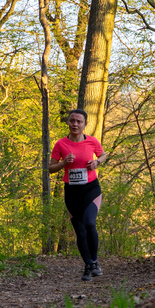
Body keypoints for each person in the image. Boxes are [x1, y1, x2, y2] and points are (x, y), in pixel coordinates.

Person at [50, 109, 108, 281]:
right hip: (72, 192)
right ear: (68, 122)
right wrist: (63, 163)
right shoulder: (60, 144)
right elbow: (50, 168)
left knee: (90, 223)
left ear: (84, 124)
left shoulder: (92, 141)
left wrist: (97, 162)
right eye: (72, 121)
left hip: (91, 189)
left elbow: (103, 155)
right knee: (80, 231)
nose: (75, 124)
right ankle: (88, 264)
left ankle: (95, 261)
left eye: (79, 121)